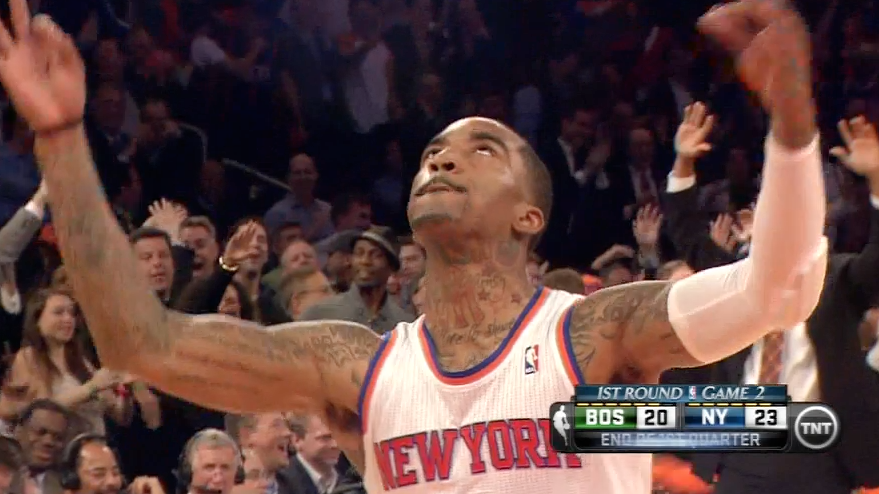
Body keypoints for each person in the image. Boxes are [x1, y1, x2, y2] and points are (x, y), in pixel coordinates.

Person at [0, 0, 826, 492]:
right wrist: (62, 137)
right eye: (432, 151)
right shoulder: (353, 363)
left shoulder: (591, 332)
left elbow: (777, 289)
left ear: (528, 217)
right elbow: (140, 341)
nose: (441, 160)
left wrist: (791, 131)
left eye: (480, 149)